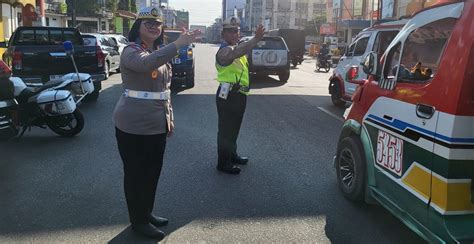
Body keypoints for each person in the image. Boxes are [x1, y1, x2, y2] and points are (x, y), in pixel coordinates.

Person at [112, 6, 199, 240]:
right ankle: (138, 220)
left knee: (152, 173)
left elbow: (164, 90)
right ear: (137, 28)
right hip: (132, 125)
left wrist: (168, 118)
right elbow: (146, 64)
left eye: (157, 23)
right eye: (147, 22)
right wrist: (178, 44)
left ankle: (146, 212)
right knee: (135, 174)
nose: (153, 26)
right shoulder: (131, 51)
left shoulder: (160, 51)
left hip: (156, 124)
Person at [215, 17, 265, 174]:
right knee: (226, 130)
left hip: (239, 95)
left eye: (236, 31)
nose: (234, 34)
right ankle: (223, 163)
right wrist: (256, 39)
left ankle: (232, 155)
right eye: (230, 31)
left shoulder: (236, 50)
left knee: (234, 129)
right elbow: (237, 51)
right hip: (228, 95)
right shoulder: (224, 51)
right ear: (223, 35)